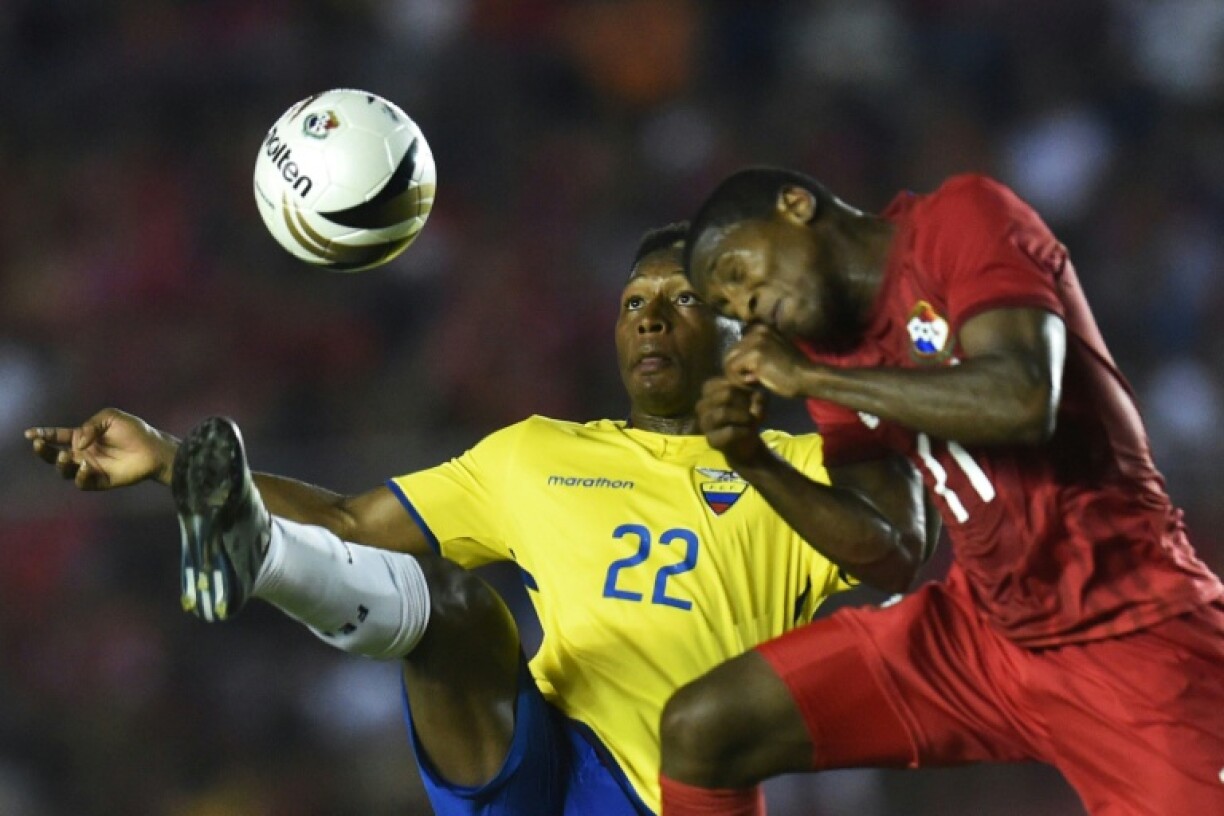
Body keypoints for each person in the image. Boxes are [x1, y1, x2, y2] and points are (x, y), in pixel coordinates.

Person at [26, 223, 924, 816]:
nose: (650, 319)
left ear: (741, 331)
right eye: (633, 303)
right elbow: (348, 520)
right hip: (533, 761)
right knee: (451, 603)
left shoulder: (800, 467)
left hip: (677, 791)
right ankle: (254, 550)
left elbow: (897, 551)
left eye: (682, 299)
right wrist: (170, 457)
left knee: (450, 602)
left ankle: (257, 547)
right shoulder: (534, 452)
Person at [655, 169, 1224, 816]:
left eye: (737, 272)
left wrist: (813, 378)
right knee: (705, 728)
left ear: (795, 205)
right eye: (730, 307)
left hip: (1129, 625)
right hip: (982, 636)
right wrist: (755, 461)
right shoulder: (826, 350)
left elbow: (1022, 397)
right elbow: (892, 550)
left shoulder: (960, 219)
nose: (745, 304)